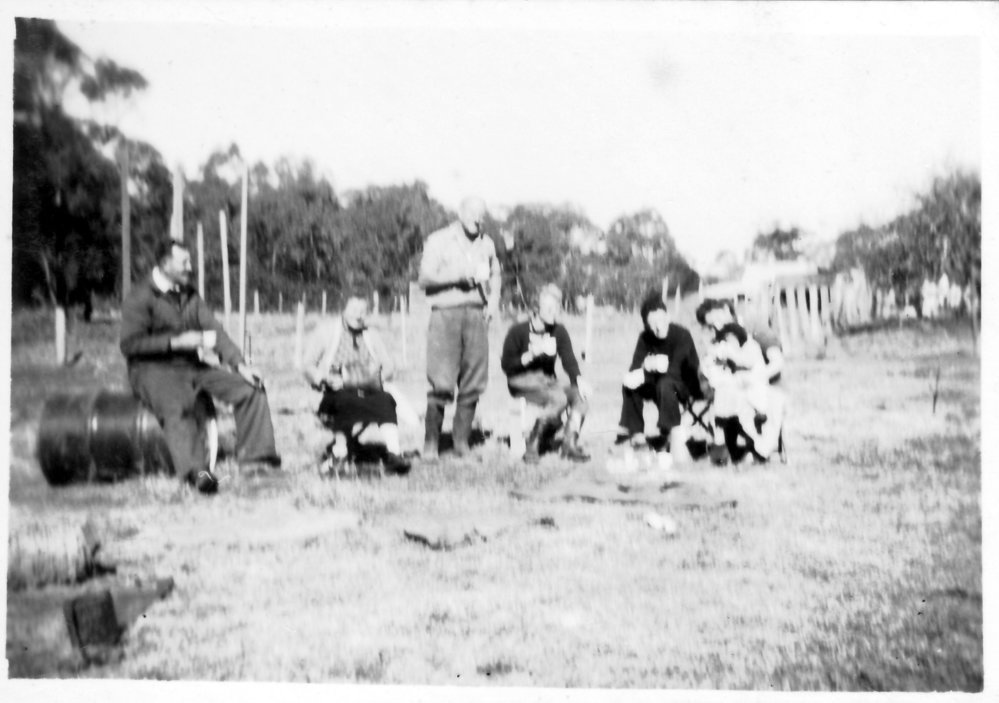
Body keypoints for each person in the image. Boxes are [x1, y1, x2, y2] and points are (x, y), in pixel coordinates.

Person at [120, 239, 281, 494]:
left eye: (189, 261)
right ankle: (199, 474)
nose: (190, 266)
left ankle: (258, 460)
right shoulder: (140, 297)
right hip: (151, 370)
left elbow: (214, 330)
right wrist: (174, 342)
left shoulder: (189, 294)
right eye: (184, 262)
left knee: (251, 390)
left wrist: (239, 365)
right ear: (164, 264)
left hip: (191, 366)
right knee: (179, 406)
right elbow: (129, 345)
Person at [417, 196, 501, 459]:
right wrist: (459, 278)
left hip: (476, 315)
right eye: (473, 213)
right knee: (441, 381)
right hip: (446, 314)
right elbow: (425, 278)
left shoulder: (486, 243)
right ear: (460, 213)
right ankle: (431, 444)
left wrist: (495, 301)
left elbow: (496, 273)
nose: (477, 219)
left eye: (481, 215)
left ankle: (460, 443)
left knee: (474, 380)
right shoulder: (439, 240)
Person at [304, 295, 411, 474]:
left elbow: (389, 365)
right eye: (354, 310)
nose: (359, 315)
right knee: (343, 401)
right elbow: (307, 364)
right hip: (336, 388)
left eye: (363, 311)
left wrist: (376, 379)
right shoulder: (326, 331)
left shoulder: (371, 334)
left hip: (367, 388)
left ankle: (394, 454)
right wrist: (323, 379)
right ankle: (340, 453)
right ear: (343, 310)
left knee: (385, 399)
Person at [500, 283, 593, 463]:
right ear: (536, 308)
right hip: (521, 380)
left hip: (548, 381)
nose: (554, 312)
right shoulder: (518, 331)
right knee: (559, 398)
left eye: (556, 307)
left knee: (580, 397)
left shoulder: (559, 331)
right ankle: (533, 443)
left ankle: (569, 445)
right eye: (548, 308)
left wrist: (579, 380)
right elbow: (507, 366)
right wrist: (532, 354)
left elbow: (569, 360)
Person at [618, 287, 703, 460]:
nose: (658, 327)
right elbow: (634, 368)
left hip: (687, 384)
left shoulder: (682, 335)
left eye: (661, 320)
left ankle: (670, 434)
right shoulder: (645, 338)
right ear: (646, 325)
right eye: (652, 323)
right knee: (630, 383)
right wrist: (644, 367)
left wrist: (650, 369)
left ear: (668, 317)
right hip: (660, 383)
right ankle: (637, 436)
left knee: (665, 383)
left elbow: (676, 369)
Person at [695, 297, 785, 462]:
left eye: (717, 319)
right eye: (710, 324)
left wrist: (753, 378)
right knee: (727, 397)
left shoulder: (753, 327)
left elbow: (777, 362)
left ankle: (757, 448)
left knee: (766, 401)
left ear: (726, 310)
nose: (716, 326)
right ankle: (733, 449)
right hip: (734, 389)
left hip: (766, 384)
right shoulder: (717, 338)